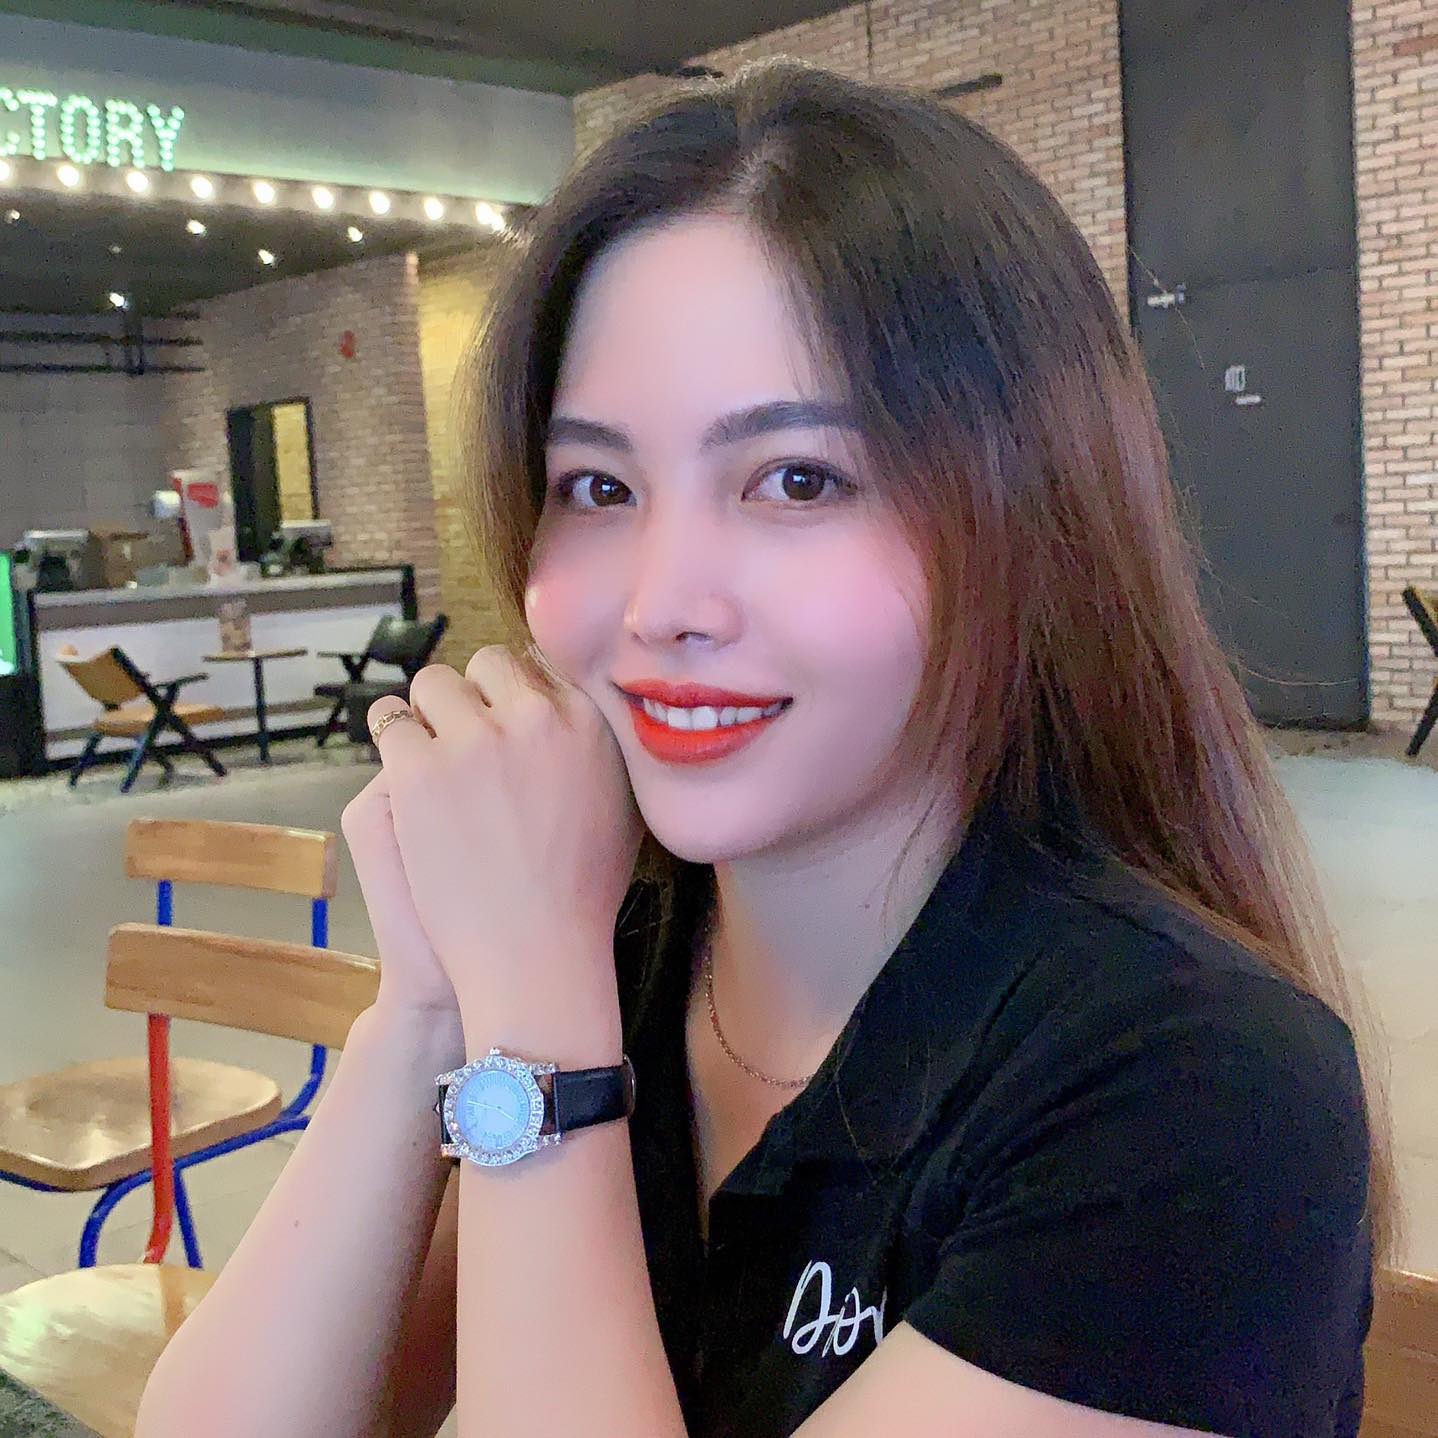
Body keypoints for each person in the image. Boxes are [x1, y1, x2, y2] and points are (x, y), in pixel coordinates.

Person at [134, 57, 1399, 1438]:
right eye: (597, 486)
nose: (662, 602)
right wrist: (429, 1003)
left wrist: (540, 1045)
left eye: (798, 479)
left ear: (1030, 516)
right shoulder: (610, 957)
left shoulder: (1198, 1088)